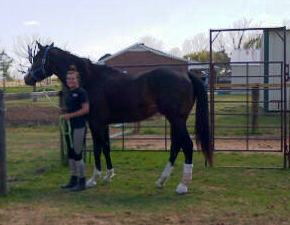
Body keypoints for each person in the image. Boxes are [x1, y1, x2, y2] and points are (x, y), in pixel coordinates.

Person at [61, 65, 89, 191]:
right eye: (68, 79)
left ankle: (82, 181)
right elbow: (70, 109)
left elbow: (85, 109)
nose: (70, 81)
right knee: (71, 154)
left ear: (77, 80)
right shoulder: (68, 93)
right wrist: (64, 112)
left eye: (72, 79)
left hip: (79, 126)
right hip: (69, 127)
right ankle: (73, 178)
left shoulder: (82, 93)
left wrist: (70, 115)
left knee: (77, 154)